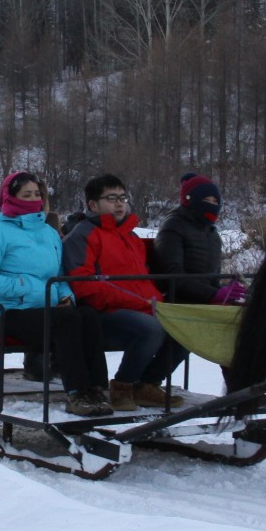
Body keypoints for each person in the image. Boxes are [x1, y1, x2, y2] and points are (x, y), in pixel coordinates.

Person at [0, 171, 113, 417]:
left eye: (37, 194)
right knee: (66, 320)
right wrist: (25, 286)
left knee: (88, 315)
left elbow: (59, 274)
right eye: (26, 195)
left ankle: (98, 387)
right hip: (11, 311)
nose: (33, 199)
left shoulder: (49, 233)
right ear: (11, 197)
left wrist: (65, 295)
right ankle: (77, 392)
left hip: (46, 309)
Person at [62, 173, 189, 409]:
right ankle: (122, 385)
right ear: (93, 204)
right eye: (111, 198)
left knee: (186, 328)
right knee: (150, 328)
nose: (119, 203)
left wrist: (154, 301)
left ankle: (146, 384)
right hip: (103, 314)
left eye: (122, 198)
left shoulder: (131, 237)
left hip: (139, 308)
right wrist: (137, 303)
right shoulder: (82, 236)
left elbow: (142, 281)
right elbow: (83, 284)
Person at [153, 172, 245, 304]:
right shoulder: (174, 226)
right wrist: (214, 294)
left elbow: (212, 280)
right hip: (177, 301)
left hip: (204, 300)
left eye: (215, 201)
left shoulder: (213, 235)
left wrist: (226, 291)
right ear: (190, 199)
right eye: (207, 201)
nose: (212, 206)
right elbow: (172, 275)